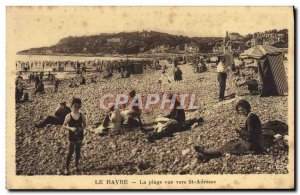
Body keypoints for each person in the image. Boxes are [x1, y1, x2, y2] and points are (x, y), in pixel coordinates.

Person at [194, 100, 263, 159]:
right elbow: (253, 130)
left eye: (242, 109)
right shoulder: (251, 115)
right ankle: (207, 155)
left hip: (253, 145)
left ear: (247, 108)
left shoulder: (250, 118)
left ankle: (207, 153)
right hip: (255, 142)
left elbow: (250, 135)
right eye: (239, 110)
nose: (241, 112)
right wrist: (243, 128)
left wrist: (240, 130)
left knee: (228, 148)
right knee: (229, 144)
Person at [63, 98, 86, 175]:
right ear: (71, 106)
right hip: (71, 134)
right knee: (70, 151)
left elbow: (85, 125)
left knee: (78, 151)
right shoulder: (68, 116)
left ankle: (76, 166)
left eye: (78, 106)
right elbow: (64, 125)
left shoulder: (82, 115)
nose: (76, 108)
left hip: (80, 134)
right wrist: (70, 128)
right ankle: (67, 168)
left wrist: (81, 128)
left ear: (80, 107)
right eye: (74, 106)